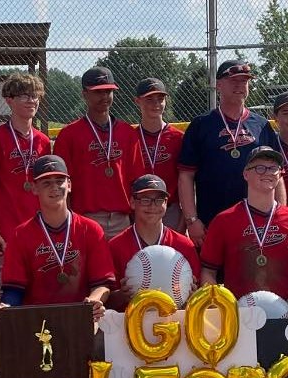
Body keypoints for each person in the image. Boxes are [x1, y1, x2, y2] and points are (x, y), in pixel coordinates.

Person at [0, 155, 114, 378]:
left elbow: (103, 282)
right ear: (33, 188)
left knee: (103, 350)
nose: (54, 187)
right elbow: (15, 289)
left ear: (70, 184)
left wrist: (95, 300)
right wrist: (6, 310)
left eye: (59, 181)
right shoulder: (21, 234)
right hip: (37, 322)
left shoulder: (89, 230)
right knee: (29, 357)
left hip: (78, 319)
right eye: (46, 183)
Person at [200, 147, 288, 318]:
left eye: (273, 168)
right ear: (245, 174)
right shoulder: (224, 220)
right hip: (238, 306)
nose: (267, 172)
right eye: (259, 167)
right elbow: (207, 272)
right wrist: (223, 304)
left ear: (280, 174)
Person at [179, 60, 281, 247]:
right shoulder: (201, 125)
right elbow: (186, 175)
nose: (240, 86)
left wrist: (280, 215)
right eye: (234, 80)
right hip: (211, 219)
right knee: (211, 275)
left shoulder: (261, 125)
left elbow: (277, 175)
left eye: (244, 81)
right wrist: (192, 220)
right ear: (218, 85)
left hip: (256, 221)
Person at [0, 73, 51, 303]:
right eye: (24, 96)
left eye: (35, 96)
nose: (31, 101)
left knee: (40, 291)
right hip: (7, 232)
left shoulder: (43, 141)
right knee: (7, 295)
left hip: (39, 231)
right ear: (9, 100)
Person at [53, 66, 141, 239]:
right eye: (98, 92)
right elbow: (62, 183)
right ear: (84, 94)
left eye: (109, 91)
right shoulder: (69, 134)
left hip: (121, 218)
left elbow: (136, 180)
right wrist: (66, 219)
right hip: (85, 217)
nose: (105, 97)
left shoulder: (127, 132)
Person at [107, 174, 199, 311]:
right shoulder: (115, 246)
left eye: (159, 200)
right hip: (129, 324)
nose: (152, 206)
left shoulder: (184, 245)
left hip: (174, 324)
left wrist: (191, 296)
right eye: (145, 199)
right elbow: (107, 301)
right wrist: (122, 295)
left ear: (166, 203)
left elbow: (197, 296)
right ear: (132, 202)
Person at [131, 78, 185, 231]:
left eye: (160, 99)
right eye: (149, 99)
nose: (156, 104)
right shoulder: (130, 137)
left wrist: (184, 220)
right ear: (137, 101)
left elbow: (185, 180)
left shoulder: (178, 138)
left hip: (170, 208)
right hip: (139, 208)